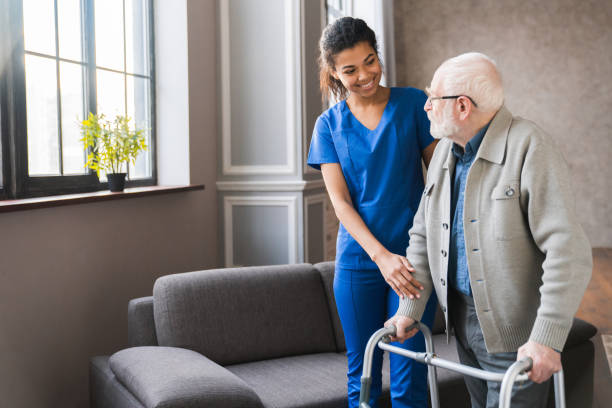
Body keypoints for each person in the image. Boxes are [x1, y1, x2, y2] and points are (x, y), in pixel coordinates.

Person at [386, 52, 592, 408]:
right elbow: (423, 235)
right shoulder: (445, 154)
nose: (426, 107)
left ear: (463, 106)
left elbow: (568, 251)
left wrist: (546, 338)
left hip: (518, 338)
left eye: (432, 98)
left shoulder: (529, 146)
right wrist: (410, 308)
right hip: (462, 327)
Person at [307, 17, 439, 408]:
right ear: (333, 71)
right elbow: (341, 204)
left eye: (370, 61)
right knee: (361, 375)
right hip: (358, 263)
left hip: (413, 262)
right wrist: (380, 257)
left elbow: (439, 182)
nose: (365, 75)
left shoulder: (414, 104)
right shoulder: (328, 125)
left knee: (409, 374)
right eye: (350, 69)